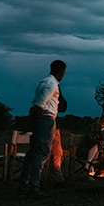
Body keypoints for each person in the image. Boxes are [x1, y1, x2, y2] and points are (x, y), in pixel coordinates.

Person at [18, 60, 67, 198]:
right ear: (61, 72)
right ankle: (33, 187)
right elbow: (40, 105)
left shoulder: (43, 82)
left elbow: (35, 105)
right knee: (42, 153)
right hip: (46, 119)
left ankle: (24, 185)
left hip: (40, 119)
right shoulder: (52, 84)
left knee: (32, 153)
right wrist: (32, 122)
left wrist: (31, 122)